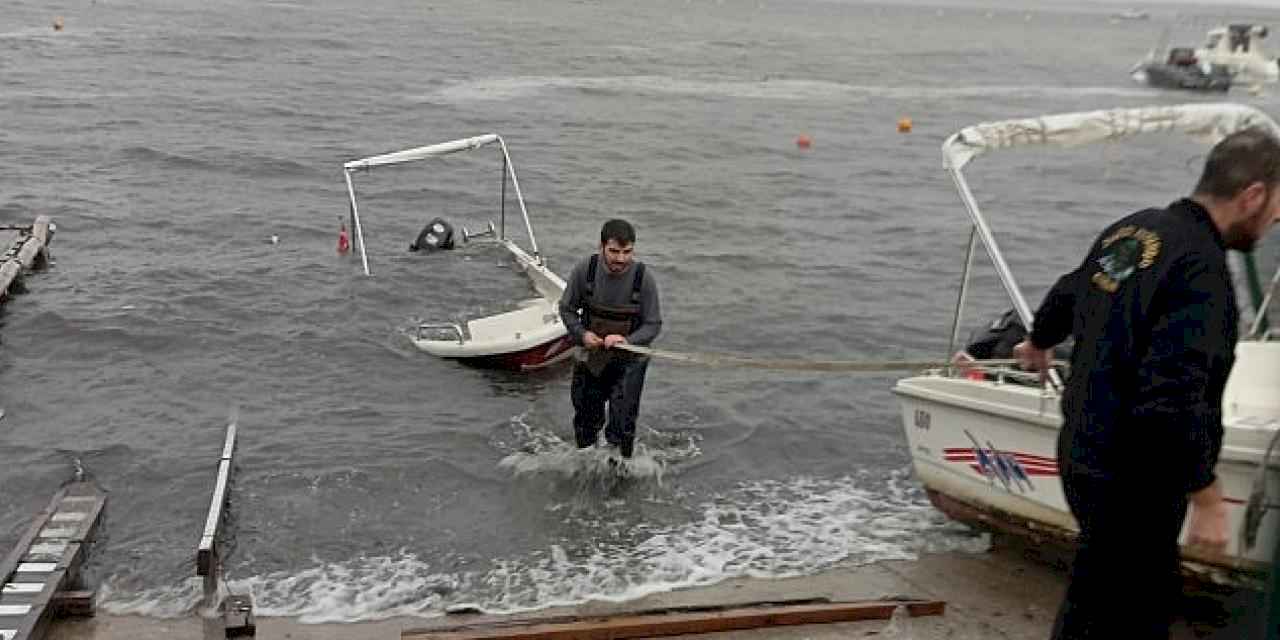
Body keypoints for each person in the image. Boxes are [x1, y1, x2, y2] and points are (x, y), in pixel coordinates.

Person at [1013, 128, 1280, 639]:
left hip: (1082, 456)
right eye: (1276, 206)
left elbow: (1070, 290)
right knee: (1132, 616)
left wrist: (1039, 341)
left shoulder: (1133, 232)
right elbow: (1171, 397)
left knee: (1095, 601)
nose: (1276, 220)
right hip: (1134, 478)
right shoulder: (1203, 272)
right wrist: (1206, 497)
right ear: (1253, 196)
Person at [558, 219, 662, 460]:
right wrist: (582, 334)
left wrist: (627, 339)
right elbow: (566, 310)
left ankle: (620, 475)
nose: (620, 259)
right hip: (591, 356)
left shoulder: (644, 278)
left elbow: (653, 325)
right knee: (585, 422)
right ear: (601, 246)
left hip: (629, 361)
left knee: (623, 426)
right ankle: (585, 469)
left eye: (627, 252)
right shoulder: (585, 270)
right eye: (614, 251)